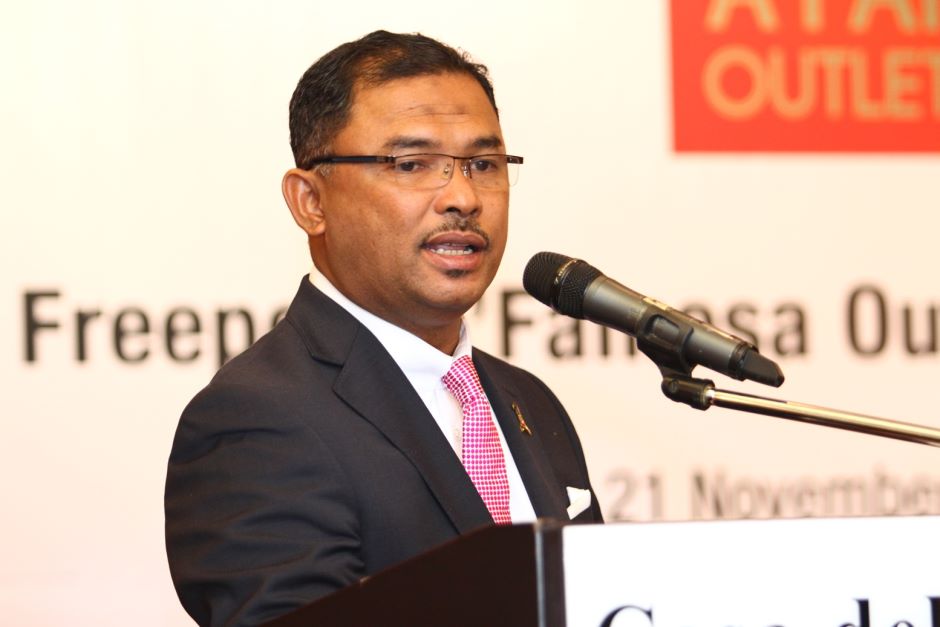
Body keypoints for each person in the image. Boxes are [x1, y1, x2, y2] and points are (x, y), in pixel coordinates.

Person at [164, 30, 602, 626]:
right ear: (311, 201)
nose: (463, 197)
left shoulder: (531, 401)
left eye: (482, 164)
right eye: (412, 164)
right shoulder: (256, 418)